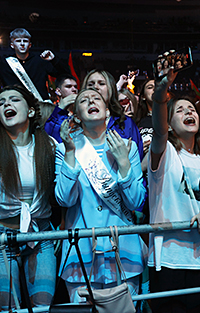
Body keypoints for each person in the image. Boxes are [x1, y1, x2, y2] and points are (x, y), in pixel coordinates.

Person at [0, 84, 57, 310]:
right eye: (1, 102)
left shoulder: (49, 146)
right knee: (6, 308)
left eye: (14, 99)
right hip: (0, 239)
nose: (6, 104)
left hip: (40, 237)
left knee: (42, 308)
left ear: (30, 111)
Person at [55, 88, 147, 302]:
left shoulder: (128, 147)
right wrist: (70, 153)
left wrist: (123, 162)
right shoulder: (64, 149)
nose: (90, 102)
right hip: (81, 256)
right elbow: (64, 199)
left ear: (107, 112)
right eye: (84, 100)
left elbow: (136, 201)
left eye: (96, 98)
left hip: (123, 253)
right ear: (76, 116)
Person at [147, 70, 200, 313]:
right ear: (169, 123)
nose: (189, 112)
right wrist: (161, 95)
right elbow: (158, 129)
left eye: (192, 109)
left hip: (199, 255)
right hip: (168, 256)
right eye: (181, 110)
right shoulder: (165, 152)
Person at [45, 69, 144, 160]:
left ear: (111, 90)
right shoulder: (74, 122)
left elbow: (136, 158)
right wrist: (60, 110)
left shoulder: (124, 122)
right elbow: (50, 143)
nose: (95, 87)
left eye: (101, 83)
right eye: (91, 84)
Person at [0, 28, 69, 101]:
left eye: (25, 41)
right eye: (18, 41)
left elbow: (65, 74)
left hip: (40, 108)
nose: (22, 44)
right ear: (12, 45)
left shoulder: (40, 62)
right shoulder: (5, 64)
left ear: (30, 45)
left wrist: (54, 59)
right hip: (15, 109)